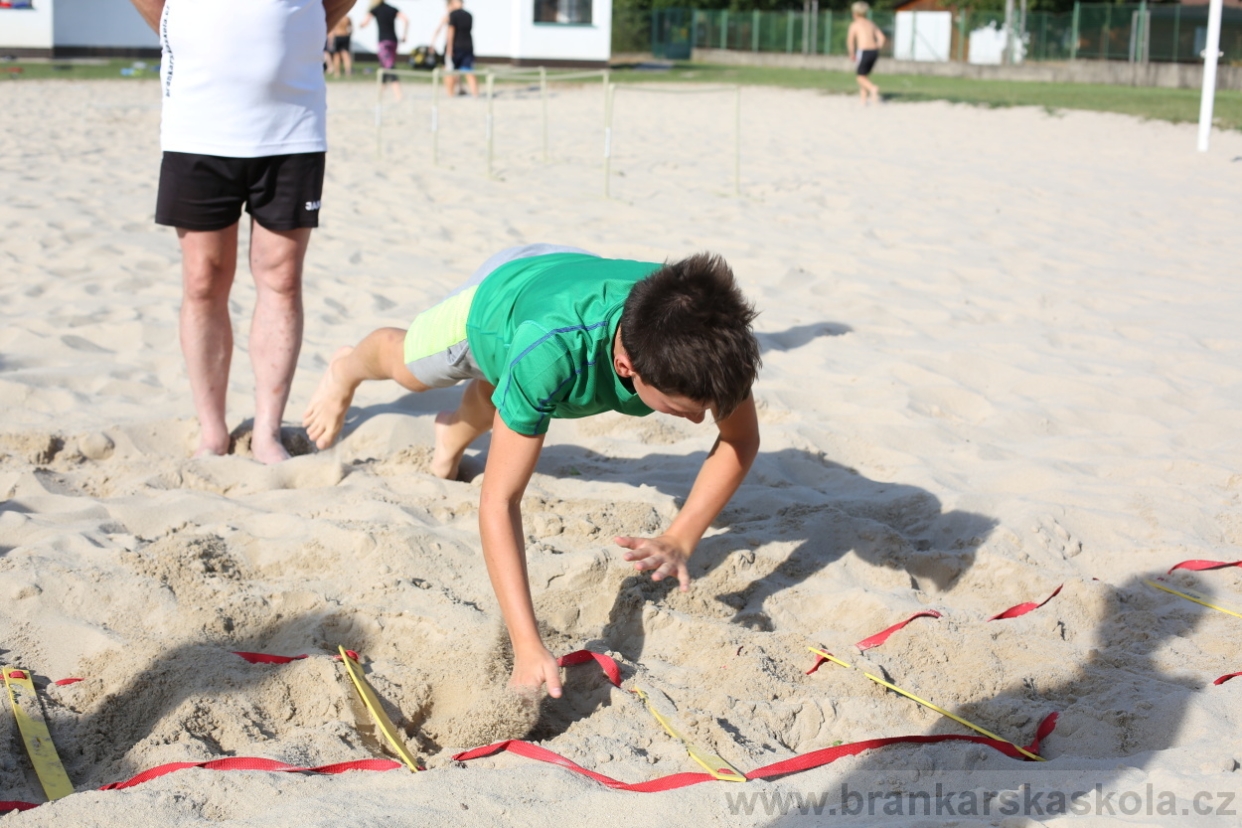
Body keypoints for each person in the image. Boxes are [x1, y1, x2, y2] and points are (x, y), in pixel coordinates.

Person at [303, 246, 762, 697]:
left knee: (507, 399)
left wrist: (681, 536)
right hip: (496, 305)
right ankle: (346, 368)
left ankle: (451, 437)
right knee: (408, 367)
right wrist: (527, 644)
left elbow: (740, 439)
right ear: (626, 366)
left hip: (560, 278)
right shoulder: (549, 354)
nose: (702, 421)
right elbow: (499, 502)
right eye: (681, 410)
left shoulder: (709, 342)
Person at [129, 0, 356, 464]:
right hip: (198, 120)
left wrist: (302, 26)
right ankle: (212, 431)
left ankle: (267, 431)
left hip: (292, 120)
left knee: (281, 277)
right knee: (203, 279)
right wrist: (186, 29)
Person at [361, 0, 408, 100]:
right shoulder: (392, 9)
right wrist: (404, 35)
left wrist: (360, 25)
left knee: (390, 66)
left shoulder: (375, 9)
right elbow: (405, 19)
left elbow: (365, 22)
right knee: (384, 67)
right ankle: (380, 93)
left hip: (383, 42)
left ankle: (398, 94)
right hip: (393, 41)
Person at [846, 1, 886, 105]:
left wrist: (851, 53)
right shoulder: (871, 23)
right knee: (864, 75)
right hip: (874, 52)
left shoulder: (854, 25)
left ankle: (873, 88)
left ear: (854, 13)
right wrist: (878, 46)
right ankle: (863, 100)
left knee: (859, 77)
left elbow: (850, 41)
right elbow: (882, 38)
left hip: (863, 51)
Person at [443, 0, 477, 97]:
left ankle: (450, 95)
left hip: (456, 46)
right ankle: (475, 95)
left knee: (450, 72)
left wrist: (449, 48)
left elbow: (451, 32)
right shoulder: (469, 15)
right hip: (468, 45)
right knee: (469, 71)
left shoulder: (452, 15)